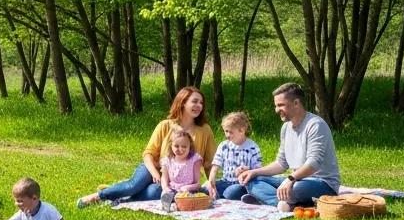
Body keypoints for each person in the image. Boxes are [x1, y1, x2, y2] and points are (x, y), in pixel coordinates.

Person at [75, 86, 217, 208]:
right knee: (133, 186)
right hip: (153, 169)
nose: (199, 105)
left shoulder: (204, 130)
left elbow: (210, 162)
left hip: (176, 181)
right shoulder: (165, 125)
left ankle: (122, 196)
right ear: (182, 103)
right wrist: (155, 173)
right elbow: (148, 154)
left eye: (201, 103)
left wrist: (210, 182)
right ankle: (99, 196)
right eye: (194, 101)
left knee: (154, 193)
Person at [237, 83, 340, 211]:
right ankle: (286, 204)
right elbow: (281, 163)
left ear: (296, 103)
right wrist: (253, 171)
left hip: (322, 183)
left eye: (280, 105)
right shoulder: (286, 128)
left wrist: (290, 179)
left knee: (295, 188)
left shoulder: (315, 125)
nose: (276, 110)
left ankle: (271, 200)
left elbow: (314, 163)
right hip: (296, 179)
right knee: (252, 180)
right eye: (276, 106)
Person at [206, 111, 262, 201]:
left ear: (242, 130)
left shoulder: (252, 147)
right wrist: (211, 178)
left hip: (242, 183)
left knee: (233, 192)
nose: (227, 135)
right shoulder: (224, 145)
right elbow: (216, 163)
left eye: (230, 132)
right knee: (205, 187)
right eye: (226, 131)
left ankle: (246, 195)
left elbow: (258, 169)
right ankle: (218, 194)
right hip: (225, 181)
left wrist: (246, 169)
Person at [159, 126, 204, 211]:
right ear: (171, 145)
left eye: (184, 146)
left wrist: (187, 188)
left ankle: (180, 205)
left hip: (189, 190)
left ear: (189, 147)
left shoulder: (195, 160)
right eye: (176, 146)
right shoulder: (167, 160)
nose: (180, 149)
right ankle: (167, 205)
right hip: (172, 189)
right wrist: (165, 188)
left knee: (189, 198)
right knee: (166, 194)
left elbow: (197, 183)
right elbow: (164, 179)